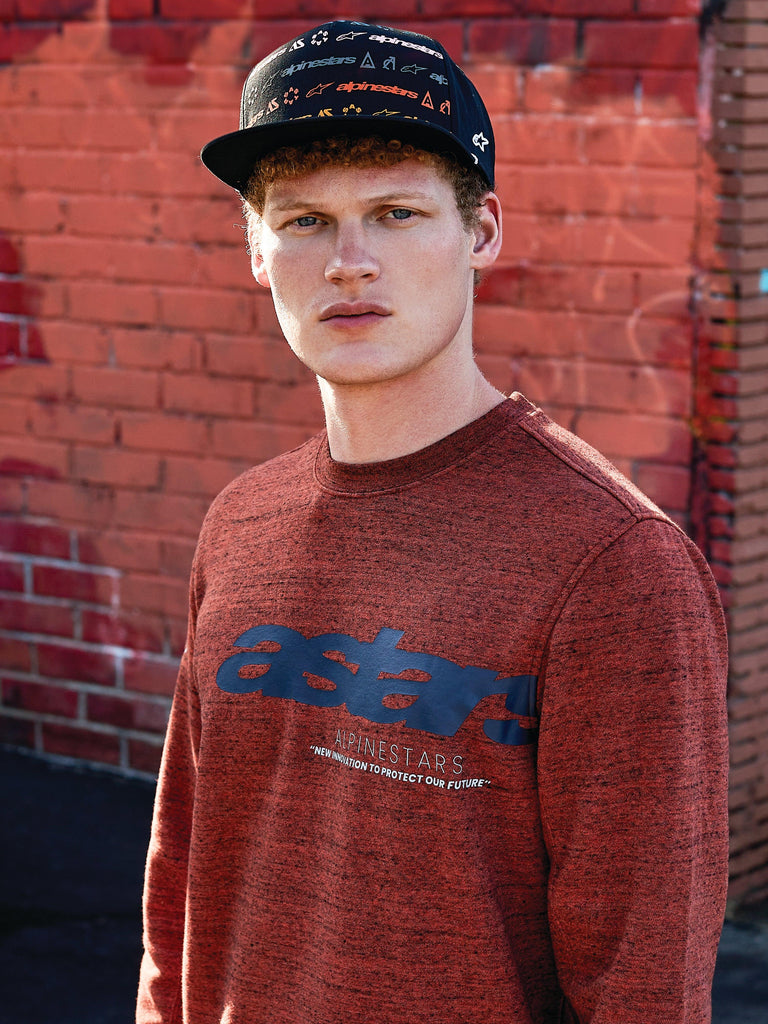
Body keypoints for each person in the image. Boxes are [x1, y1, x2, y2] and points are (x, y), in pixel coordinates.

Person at [137, 20, 729, 1024]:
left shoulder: (614, 565)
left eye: (396, 213)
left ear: (482, 232)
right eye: (305, 220)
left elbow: (645, 988)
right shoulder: (241, 522)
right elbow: (182, 883)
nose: (349, 262)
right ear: (257, 249)